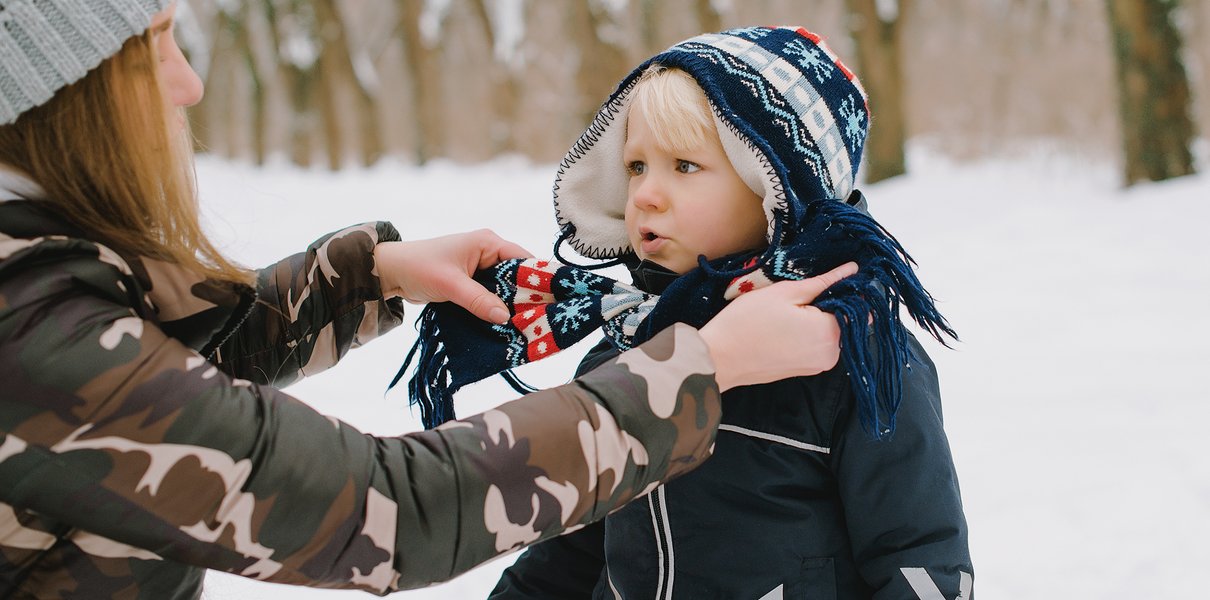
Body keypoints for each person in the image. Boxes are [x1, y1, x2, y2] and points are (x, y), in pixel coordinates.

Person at [0, 5, 858, 599]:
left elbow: (158, 367)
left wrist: (369, 273)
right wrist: (697, 372)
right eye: (157, 47)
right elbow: (384, 508)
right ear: (62, 90)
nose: (187, 85)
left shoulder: (33, 271)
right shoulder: (29, 329)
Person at [435, 27, 970, 598]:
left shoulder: (852, 355)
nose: (644, 194)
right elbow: (565, 555)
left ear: (776, 187)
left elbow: (918, 559)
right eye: (636, 166)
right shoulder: (623, 347)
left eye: (684, 166)